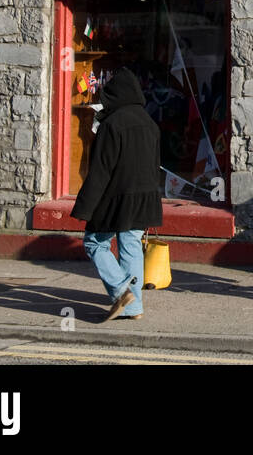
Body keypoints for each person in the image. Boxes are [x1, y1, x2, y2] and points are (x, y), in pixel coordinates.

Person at [71, 67, 163, 322]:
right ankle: (134, 307)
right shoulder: (150, 123)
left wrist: (85, 206)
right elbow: (155, 165)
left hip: (117, 197)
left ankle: (123, 291)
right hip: (145, 196)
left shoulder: (111, 124)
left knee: (94, 242)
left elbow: (101, 171)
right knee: (131, 246)